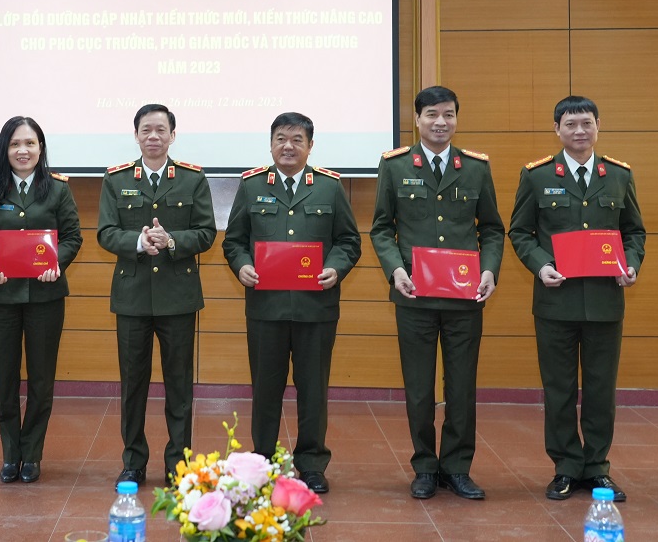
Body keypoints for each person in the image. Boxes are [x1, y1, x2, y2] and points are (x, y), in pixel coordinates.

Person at [370, 85, 505, 501]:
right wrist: (395, 269)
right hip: (414, 296)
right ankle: (425, 467)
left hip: (465, 298)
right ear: (417, 120)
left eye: (448, 114)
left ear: (456, 119)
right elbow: (381, 228)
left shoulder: (476, 168)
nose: (440, 122)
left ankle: (457, 468)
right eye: (431, 114)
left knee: (461, 386)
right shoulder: (394, 166)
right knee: (419, 388)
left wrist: (489, 270)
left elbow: (492, 229)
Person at [508, 95, 645, 502]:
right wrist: (540, 266)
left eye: (587, 123)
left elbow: (634, 232)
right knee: (559, 389)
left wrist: (631, 264)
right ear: (557, 129)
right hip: (556, 302)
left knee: (601, 390)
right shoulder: (536, 175)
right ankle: (566, 467)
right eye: (570, 124)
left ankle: (597, 468)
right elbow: (520, 232)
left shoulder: (618, 175)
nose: (579, 131)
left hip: (605, 302)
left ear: (598, 125)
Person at [222, 112, 360, 494]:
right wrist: (242, 265)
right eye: (281, 138)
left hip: (316, 308)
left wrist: (335, 268)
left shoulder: (330, 187)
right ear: (270, 144)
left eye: (297, 139)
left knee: (313, 390)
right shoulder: (251, 185)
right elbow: (234, 241)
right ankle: (262, 462)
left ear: (310, 146)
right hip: (266, 308)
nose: (288, 146)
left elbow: (349, 241)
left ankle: (311, 464)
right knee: (265, 389)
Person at [97, 104, 215, 487]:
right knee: (133, 385)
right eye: (146, 130)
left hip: (178, 298)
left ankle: (178, 463)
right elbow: (106, 232)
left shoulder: (192, 179)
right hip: (132, 298)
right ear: (136, 135)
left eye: (160, 130)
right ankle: (133, 461)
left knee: (179, 386)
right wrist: (138, 242)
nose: (153, 136)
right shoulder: (116, 179)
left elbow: (206, 232)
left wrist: (172, 240)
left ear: (172, 135)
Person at [0, 116, 82, 484]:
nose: (23, 150)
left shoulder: (58, 190)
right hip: (0, 298)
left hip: (46, 297)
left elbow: (73, 237)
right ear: (5, 149)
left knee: (41, 380)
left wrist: (56, 263)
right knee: (3, 381)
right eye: (15, 144)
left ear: (40, 148)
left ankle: (31, 455)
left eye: (30, 143)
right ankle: (10, 454)